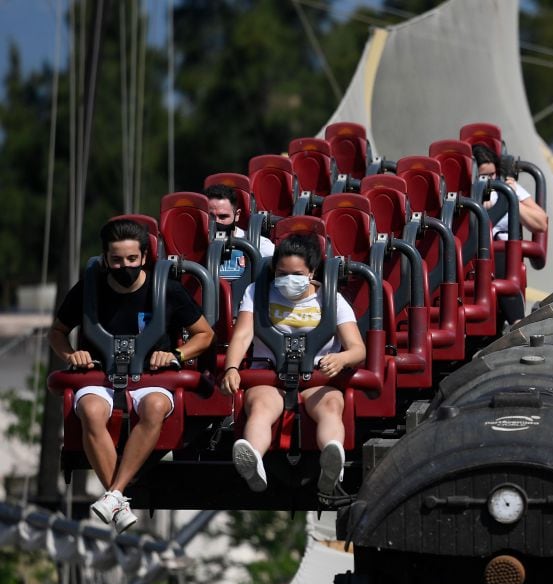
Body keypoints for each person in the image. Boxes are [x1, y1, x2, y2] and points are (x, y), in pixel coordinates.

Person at [49, 219, 214, 532]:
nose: (124, 266)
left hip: (152, 378)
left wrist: (176, 355)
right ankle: (119, 499)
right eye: (116, 260)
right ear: (105, 259)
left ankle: (114, 494)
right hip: (101, 376)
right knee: (90, 410)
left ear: (144, 258)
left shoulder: (166, 289)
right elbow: (57, 332)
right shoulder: (89, 289)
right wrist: (72, 355)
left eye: (131, 260)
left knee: (153, 407)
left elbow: (204, 335)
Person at [219, 232, 366, 494]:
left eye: (296, 274)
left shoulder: (331, 299)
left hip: (316, 376)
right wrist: (231, 367)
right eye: (282, 273)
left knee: (330, 406)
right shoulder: (258, 292)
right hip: (270, 375)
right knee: (261, 407)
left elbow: (357, 349)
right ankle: (253, 458)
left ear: (311, 272)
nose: (288, 280)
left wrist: (341, 358)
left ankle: (332, 459)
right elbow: (242, 335)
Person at [471, 144, 548, 239]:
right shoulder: (465, 194)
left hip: (506, 249)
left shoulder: (507, 187)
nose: (490, 180)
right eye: (483, 176)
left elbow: (541, 224)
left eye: (492, 174)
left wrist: (511, 198)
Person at [205, 184, 275, 280]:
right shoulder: (196, 247)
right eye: (211, 217)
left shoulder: (258, 244)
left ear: (237, 215)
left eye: (223, 217)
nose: (217, 221)